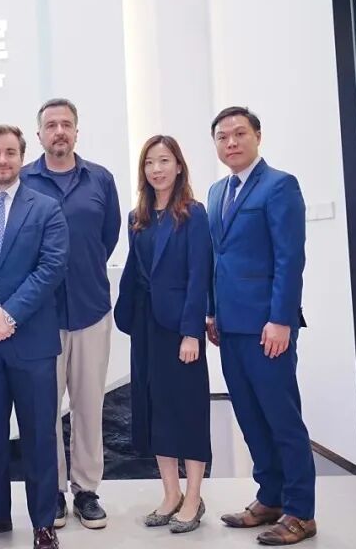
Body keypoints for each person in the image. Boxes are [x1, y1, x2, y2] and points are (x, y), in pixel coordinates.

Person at [206, 106, 317, 546]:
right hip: (230, 326)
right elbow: (217, 259)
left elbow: (290, 258)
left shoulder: (279, 185)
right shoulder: (217, 191)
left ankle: (301, 511)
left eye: (239, 133)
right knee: (250, 417)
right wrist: (212, 312)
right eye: (222, 136)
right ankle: (270, 497)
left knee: (281, 418)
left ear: (257, 136)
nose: (231, 142)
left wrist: (281, 319)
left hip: (267, 327)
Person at [0, 125, 69, 549]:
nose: (2, 160)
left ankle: (43, 522)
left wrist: (10, 314)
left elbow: (52, 267)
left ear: (22, 157)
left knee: (39, 437)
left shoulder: (47, 209)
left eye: (10, 152)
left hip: (33, 344)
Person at [20, 98, 119, 529]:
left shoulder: (101, 179)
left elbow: (107, 237)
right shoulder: (23, 181)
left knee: (88, 405)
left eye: (66, 124)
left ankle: (87, 490)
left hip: (91, 309)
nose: (59, 131)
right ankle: (53, 492)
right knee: (44, 409)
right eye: (51, 125)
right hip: (40, 318)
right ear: (39, 134)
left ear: (77, 131)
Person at [114, 135, 212, 534]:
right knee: (155, 411)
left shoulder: (193, 213)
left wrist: (192, 332)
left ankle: (193, 496)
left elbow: (199, 276)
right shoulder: (137, 216)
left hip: (180, 329)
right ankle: (170, 493)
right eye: (150, 162)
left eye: (164, 160)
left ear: (178, 166)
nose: (157, 169)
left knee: (187, 410)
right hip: (146, 327)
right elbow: (137, 272)